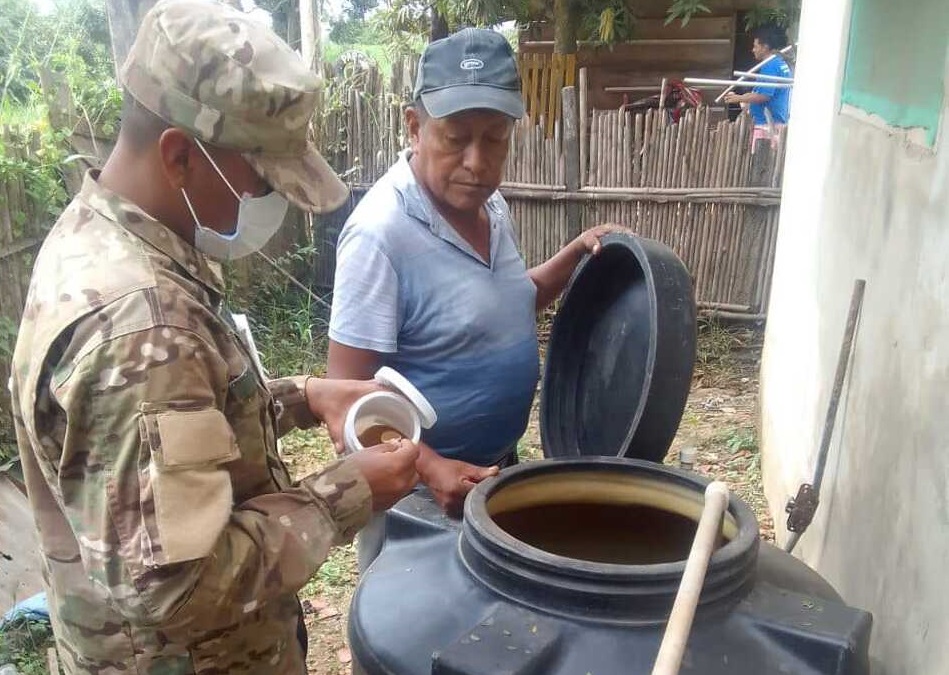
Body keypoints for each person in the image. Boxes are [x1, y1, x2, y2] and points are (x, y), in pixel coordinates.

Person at [8, 1, 420, 672]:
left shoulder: (102, 239)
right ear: (179, 156)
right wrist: (348, 491)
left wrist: (304, 395)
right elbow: (174, 588)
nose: (265, 201)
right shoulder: (142, 324)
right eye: (259, 179)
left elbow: (184, 420)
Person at [327, 27, 620, 526]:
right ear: (414, 127)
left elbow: (503, 305)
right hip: (417, 503)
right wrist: (431, 467)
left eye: (495, 139)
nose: (477, 163)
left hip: (496, 478)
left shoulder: (491, 206)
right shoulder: (380, 235)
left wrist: (571, 258)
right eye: (456, 139)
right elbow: (346, 400)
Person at [725, 25, 792, 143]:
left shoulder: (770, 66)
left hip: (767, 126)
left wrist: (738, 97)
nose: (753, 50)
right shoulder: (779, 63)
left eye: (755, 46)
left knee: (761, 159)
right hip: (775, 122)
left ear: (765, 47)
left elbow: (764, 95)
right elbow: (763, 92)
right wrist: (746, 100)